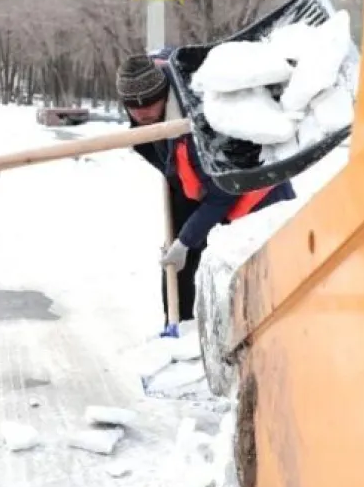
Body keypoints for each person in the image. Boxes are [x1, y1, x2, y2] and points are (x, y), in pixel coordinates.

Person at [115, 52, 295, 330]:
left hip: (257, 203)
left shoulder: (201, 123)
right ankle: (177, 327)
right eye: (132, 106)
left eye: (150, 103)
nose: (141, 112)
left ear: (165, 92)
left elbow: (225, 192)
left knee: (258, 291)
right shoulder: (153, 97)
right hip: (199, 187)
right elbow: (162, 59)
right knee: (175, 262)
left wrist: (187, 240)